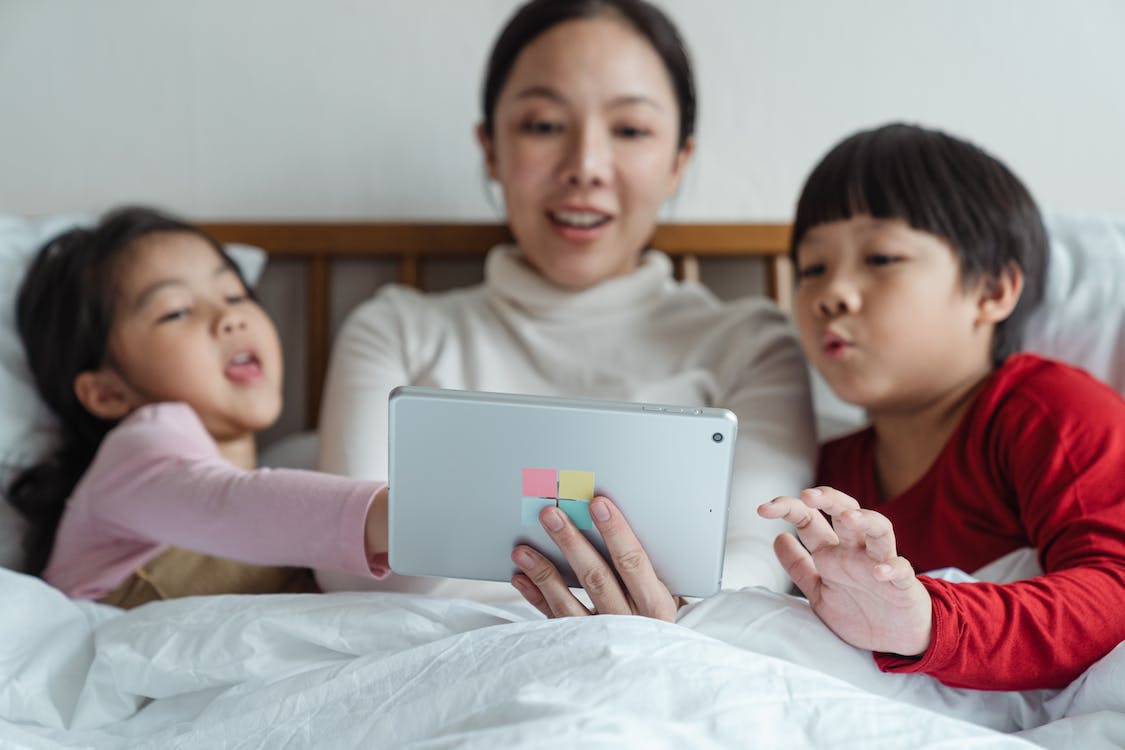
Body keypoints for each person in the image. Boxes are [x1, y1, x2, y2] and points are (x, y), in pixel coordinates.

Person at [512, 122, 1125, 692]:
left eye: (881, 259)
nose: (831, 293)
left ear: (992, 290)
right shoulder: (822, 478)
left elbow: (1114, 587)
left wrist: (929, 622)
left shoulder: (1047, 410)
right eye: (811, 269)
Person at [316, 0, 816, 599]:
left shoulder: (752, 343)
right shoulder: (394, 330)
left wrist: (662, 620)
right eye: (544, 125)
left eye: (630, 130)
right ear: (491, 149)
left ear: (679, 161)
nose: (586, 167)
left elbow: (760, 559)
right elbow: (347, 568)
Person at [7, 206, 391, 608]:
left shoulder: (299, 462)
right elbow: (229, 503)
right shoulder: (135, 450)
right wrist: (396, 517)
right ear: (108, 393)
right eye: (176, 311)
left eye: (235, 295)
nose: (229, 317)